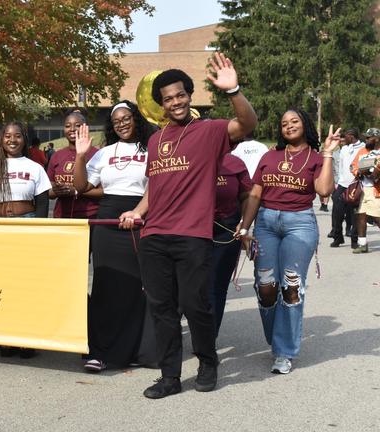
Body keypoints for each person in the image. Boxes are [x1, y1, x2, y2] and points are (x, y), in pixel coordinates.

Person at [119, 53, 257, 398]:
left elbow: (247, 123)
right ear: (162, 105)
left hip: (193, 235)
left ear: (189, 95)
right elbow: (155, 186)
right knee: (162, 309)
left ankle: (208, 363)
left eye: (180, 95)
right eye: (168, 98)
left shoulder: (209, 131)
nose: (175, 102)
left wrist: (233, 90)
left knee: (197, 305)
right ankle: (170, 377)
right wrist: (137, 211)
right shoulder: (155, 140)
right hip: (154, 237)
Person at [236, 112, 339, 374]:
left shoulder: (315, 159)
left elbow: (324, 190)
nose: (288, 126)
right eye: (283, 123)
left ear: (304, 125)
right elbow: (256, 193)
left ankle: (284, 351)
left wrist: (327, 153)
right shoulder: (269, 156)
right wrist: (245, 226)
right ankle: (277, 336)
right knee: (266, 286)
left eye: (294, 121)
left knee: (291, 286)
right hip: (266, 223)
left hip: (300, 224)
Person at [71, 100, 158, 372]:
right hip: (107, 220)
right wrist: (81, 156)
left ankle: (132, 350)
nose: (122, 123)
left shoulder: (151, 148)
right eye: (116, 120)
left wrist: (137, 211)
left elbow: (156, 186)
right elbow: (82, 186)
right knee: (106, 285)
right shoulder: (105, 152)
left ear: (136, 118)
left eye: (126, 118)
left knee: (136, 287)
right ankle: (99, 351)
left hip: (140, 216)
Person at [0, 121, 51, 358]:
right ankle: (5, 336)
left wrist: (40, 232)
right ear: (1, 141)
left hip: (27, 223)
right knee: (2, 284)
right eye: (7, 137)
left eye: (17, 136)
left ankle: (27, 337)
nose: (12, 140)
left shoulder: (35, 167)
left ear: (24, 140)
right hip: (0, 228)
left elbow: (43, 202)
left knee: (25, 285)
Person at [210, 152, 251, 334]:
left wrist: (244, 223)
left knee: (216, 286)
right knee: (186, 287)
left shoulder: (235, 163)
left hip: (226, 230)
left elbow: (247, 195)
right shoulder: (188, 158)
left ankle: (208, 340)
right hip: (191, 229)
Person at [47, 111, 102, 219]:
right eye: (67, 126)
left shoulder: (97, 154)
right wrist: (57, 191)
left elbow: (104, 191)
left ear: (85, 128)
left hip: (91, 217)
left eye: (77, 126)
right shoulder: (57, 155)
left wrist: (76, 191)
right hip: (62, 216)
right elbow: (49, 191)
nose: (72, 129)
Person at [331, 128, 364, 248]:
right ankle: (338, 237)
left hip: (355, 185)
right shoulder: (344, 149)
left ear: (351, 136)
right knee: (337, 213)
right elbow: (340, 165)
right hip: (342, 184)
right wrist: (338, 181)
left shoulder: (363, 148)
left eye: (346, 137)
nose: (344, 139)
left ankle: (354, 241)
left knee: (354, 215)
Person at [349, 128, 380, 253]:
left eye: (369, 137)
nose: (366, 140)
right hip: (361, 189)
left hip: (376, 190)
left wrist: (376, 173)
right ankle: (362, 244)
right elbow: (353, 165)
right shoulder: (362, 151)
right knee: (361, 216)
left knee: (378, 218)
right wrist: (359, 172)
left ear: (376, 139)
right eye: (366, 137)